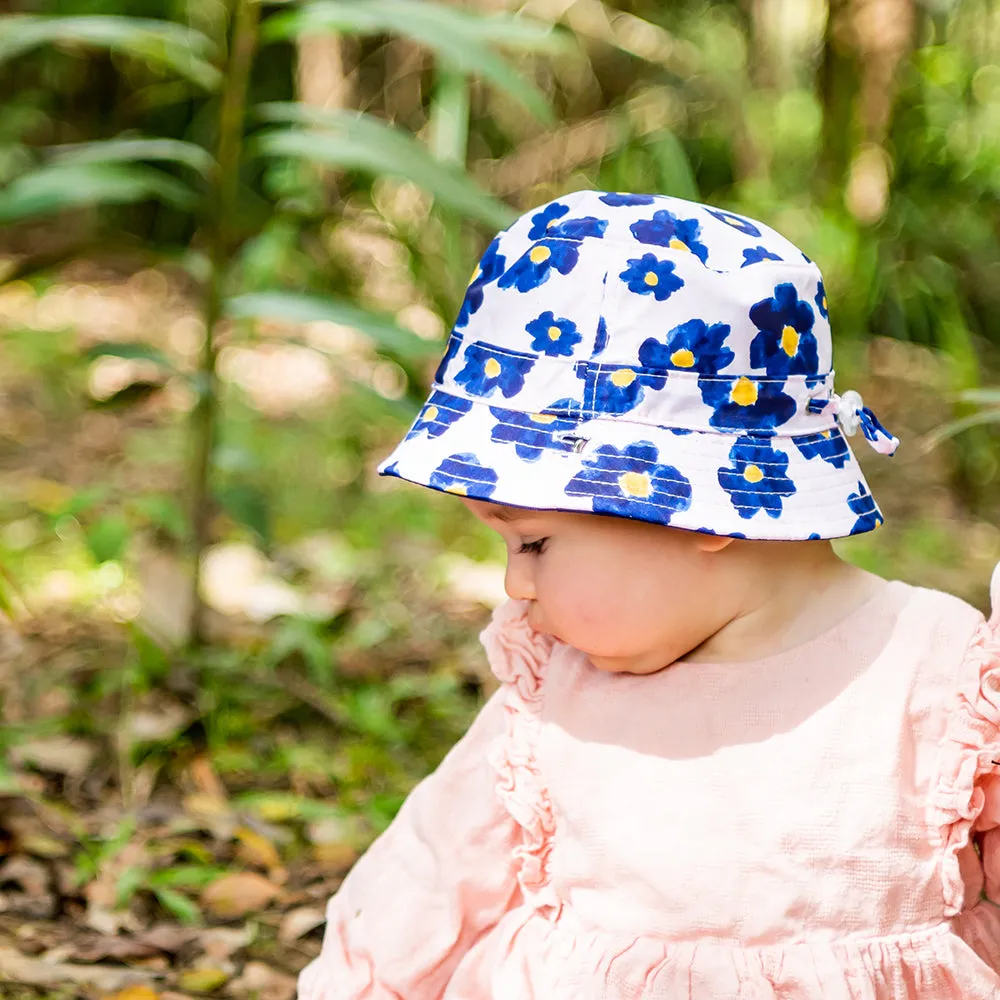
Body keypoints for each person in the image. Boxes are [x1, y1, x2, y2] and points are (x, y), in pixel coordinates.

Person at [297, 191, 1000, 998]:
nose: (512, 584)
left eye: (532, 543)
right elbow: (436, 871)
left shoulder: (940, 676)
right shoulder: (557, 687)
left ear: (703, 506)